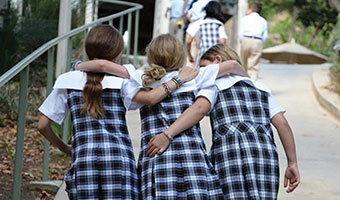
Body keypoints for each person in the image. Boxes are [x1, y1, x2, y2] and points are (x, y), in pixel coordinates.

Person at [37, 25, 196, 199]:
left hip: (84, 162)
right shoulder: (124, 79)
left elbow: (43, 125)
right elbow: (151, 98)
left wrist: (65, 147)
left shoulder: (66, 80)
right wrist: (180, 78)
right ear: (117, 52)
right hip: (120, 164)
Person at [147, 44, 300, 199]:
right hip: (264, 154)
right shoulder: (261, 88)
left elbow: (199, 109)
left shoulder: (213, 85)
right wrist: (292, 162)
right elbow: (283, 124)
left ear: (218, 60)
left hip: (228, 153)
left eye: (204, 67)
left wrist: (168, 134)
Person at [186, 1, 227, 68]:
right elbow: (222, 40)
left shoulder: (200, 23)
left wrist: (189, 55)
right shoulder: (219, 24)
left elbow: (189, 40)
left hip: (202, 57)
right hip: (215, 58)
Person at [239, 2, 268, 79]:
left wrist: (242, 41)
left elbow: (240, 33)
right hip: (257, 41)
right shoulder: (263, 21)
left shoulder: (244, 19)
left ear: (251, 9)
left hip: (246, 39)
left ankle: (243, 80)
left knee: (243, 62)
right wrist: (261, 44)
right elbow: (264, 36)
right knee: (254, 66)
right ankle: (253, 83)